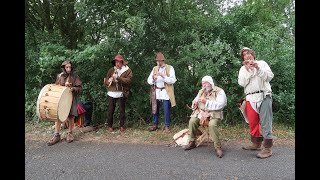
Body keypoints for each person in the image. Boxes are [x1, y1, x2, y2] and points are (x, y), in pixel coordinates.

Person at [238, 47, 274, 159]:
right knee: (253, 122)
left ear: (253, 54)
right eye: (244, 55)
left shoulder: (262, 63)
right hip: (250, 97)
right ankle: (256, 143)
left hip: (264, 95)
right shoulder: (242, 69)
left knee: (265, 122)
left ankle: (267, 148)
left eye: (248, 53)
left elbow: (269, 76)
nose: (247, 55)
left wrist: (257, 68)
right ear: (243, 58)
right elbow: (242, 83)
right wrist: (248, 70)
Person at [183, 75, 227, 158]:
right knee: (192, 121)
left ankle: (218, 147)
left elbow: (221, 105)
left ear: (210, 83)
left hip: (214, 113)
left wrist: (206, 102)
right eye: (203, 83)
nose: (204, 85)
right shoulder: (201, 91)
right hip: (201, 113)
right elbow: (195, 101)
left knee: (212, 124)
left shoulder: (219, 91)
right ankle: (192, 142)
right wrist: (194, 104)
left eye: (206, 83)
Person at [47, 60, 82, 146]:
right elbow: (56, 87)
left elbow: (80, 88)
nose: (68, 69)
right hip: (60, 100)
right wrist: (63, 86)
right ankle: (56, 135)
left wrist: (72, 88)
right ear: (63, 68)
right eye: (67, 67)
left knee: (70, 116)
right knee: (58, 116)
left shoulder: (75, 77)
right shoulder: (60, 76)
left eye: (70, 67)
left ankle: (70, 133)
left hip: (71, 99)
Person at [147, 52, 177, 132]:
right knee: (155, 108)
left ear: (163, 61)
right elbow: (149, 80)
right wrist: (153, 79)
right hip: (156, 91)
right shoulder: (154, 69)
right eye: (157, 61)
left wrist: (163, 76)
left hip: (166, 92)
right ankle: (155, 124)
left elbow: (173, 80)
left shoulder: (170, 68)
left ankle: (166, 126)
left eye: (160, 61)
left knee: (166, 109)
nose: (159, 63)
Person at [103, 54, 133, 133]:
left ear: (122, 62)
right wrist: (108, 81)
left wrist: (118, 78)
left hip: (121, 92)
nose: (117, 64)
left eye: (119, 62)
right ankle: (109, 126)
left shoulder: (128, 70)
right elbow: (105, 81)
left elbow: (128, 81)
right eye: (116, 62)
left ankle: (122, 126)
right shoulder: (111, 70)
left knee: (122, 110)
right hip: (111, 92)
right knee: (110, 110)